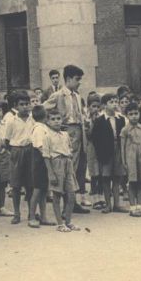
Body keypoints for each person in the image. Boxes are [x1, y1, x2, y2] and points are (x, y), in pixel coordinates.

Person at [44, 65, 90, 213]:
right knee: (68, 168)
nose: (79, 82)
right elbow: (41, 109)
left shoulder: (77, 96)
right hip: (67, 132)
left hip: (80, 132)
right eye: (77, 79)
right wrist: (53, 127)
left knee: (79, 168)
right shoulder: (58, 95)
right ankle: (66, 207)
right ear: (68, 78)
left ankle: (73, 202)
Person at [43, 109, 80, 232]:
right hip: (56, 163)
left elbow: (69, 149)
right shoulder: (47, 136)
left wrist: (70, 166)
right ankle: (60, 223)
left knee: (71, 194)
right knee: (57, 195)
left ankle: (68, 221)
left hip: (67, 164)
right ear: (47, 121)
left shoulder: (65, 134)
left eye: (58, 118)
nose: (56, 121)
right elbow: (47, 156)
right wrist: (50, 173)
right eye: (52, 119)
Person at [91, 93, 128, 214]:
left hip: (118, 150)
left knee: (117, 177)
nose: (114, 104)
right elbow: (95, 138)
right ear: (104, 105)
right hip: (105, 152)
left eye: (116, 102)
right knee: (106, 178)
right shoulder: (100, 120)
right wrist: (100, 153)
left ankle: (117, 204)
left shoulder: (121, 119)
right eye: (111, 102)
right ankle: (108, 205)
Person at [5, 90, 35, 224]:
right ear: (16, 106)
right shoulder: (11, 120)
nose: (25, 107)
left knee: (30, 183)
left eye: (27, 104)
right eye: (22, 104)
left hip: (30, 151)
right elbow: (7, 140)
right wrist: (13, 153)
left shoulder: (33, 118)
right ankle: (17, 213)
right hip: (16, 151)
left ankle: (31, 212)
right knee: (16, 185)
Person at [28, 105, 55, 228]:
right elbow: (40, 147)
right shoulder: (38, 129)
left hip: (44, 161)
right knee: (37, 190)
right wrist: (49, 158)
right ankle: (32, 217)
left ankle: (43, 216)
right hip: (40, 162)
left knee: (44, 190)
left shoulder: (43, 127)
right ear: (45, 116)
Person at [120, 103, 141, 217]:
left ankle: (139, 206)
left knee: (140, 181)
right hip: (130, 156)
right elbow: (122, 146)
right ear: (126, 116)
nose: (134, 116)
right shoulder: (125, 130)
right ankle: (132, 207)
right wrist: (124, 160)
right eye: (131, 114)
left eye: (136, 113)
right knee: (132, 182)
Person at [85, 93, 105, 210]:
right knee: (94, 174)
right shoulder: (87, 120)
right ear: (88, 107)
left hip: (100, 148)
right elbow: (88, 135)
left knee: (101, 173)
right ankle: (95, 199)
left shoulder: (102, 118)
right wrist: (93, 123)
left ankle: (101, 198)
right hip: (92, 147)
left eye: (98, 106)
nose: (96, 109)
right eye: (93, 106)